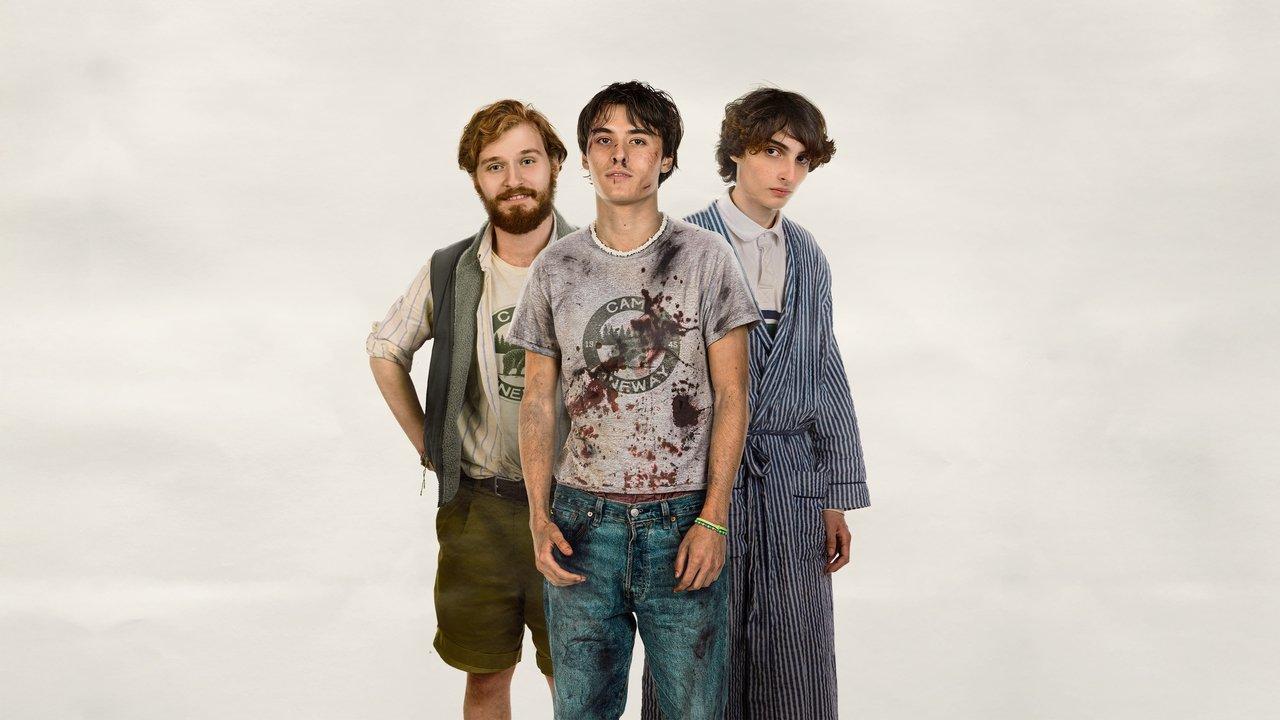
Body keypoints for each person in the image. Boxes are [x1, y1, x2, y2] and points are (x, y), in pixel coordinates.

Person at [507, 81, 759, 720]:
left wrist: (714, 517)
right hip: (581, 525)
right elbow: (537, 402)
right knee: (580, 711)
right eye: (604, 141)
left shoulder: (705, 259)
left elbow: (733, 393)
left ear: (666, 158)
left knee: (694, 710)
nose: (619, 156)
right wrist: (539, 516)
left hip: (683, 522)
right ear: (585, 158)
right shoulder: (556, 268)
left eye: (638, 141)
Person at [641, 87, 871, 720]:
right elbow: (651, 381)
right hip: (699, 481)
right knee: (695, 648)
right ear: (738, 151)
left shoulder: (809, 256)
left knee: (793, 653)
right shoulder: (679, 246)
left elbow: (825, 370)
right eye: (773, 152)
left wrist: (832, 493)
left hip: (792, 482)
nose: (786, 173)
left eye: (801, 159)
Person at [366, 99, 574, 719]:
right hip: (478, 510)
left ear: (555, 164)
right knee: (485, 678)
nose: (513, 179)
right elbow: (385, 349)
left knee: (577, 683)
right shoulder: (450, 270)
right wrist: (428, 442)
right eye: (494, 166)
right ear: (477, 179)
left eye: (527, 160)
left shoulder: (596, 261)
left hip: (578, 513)